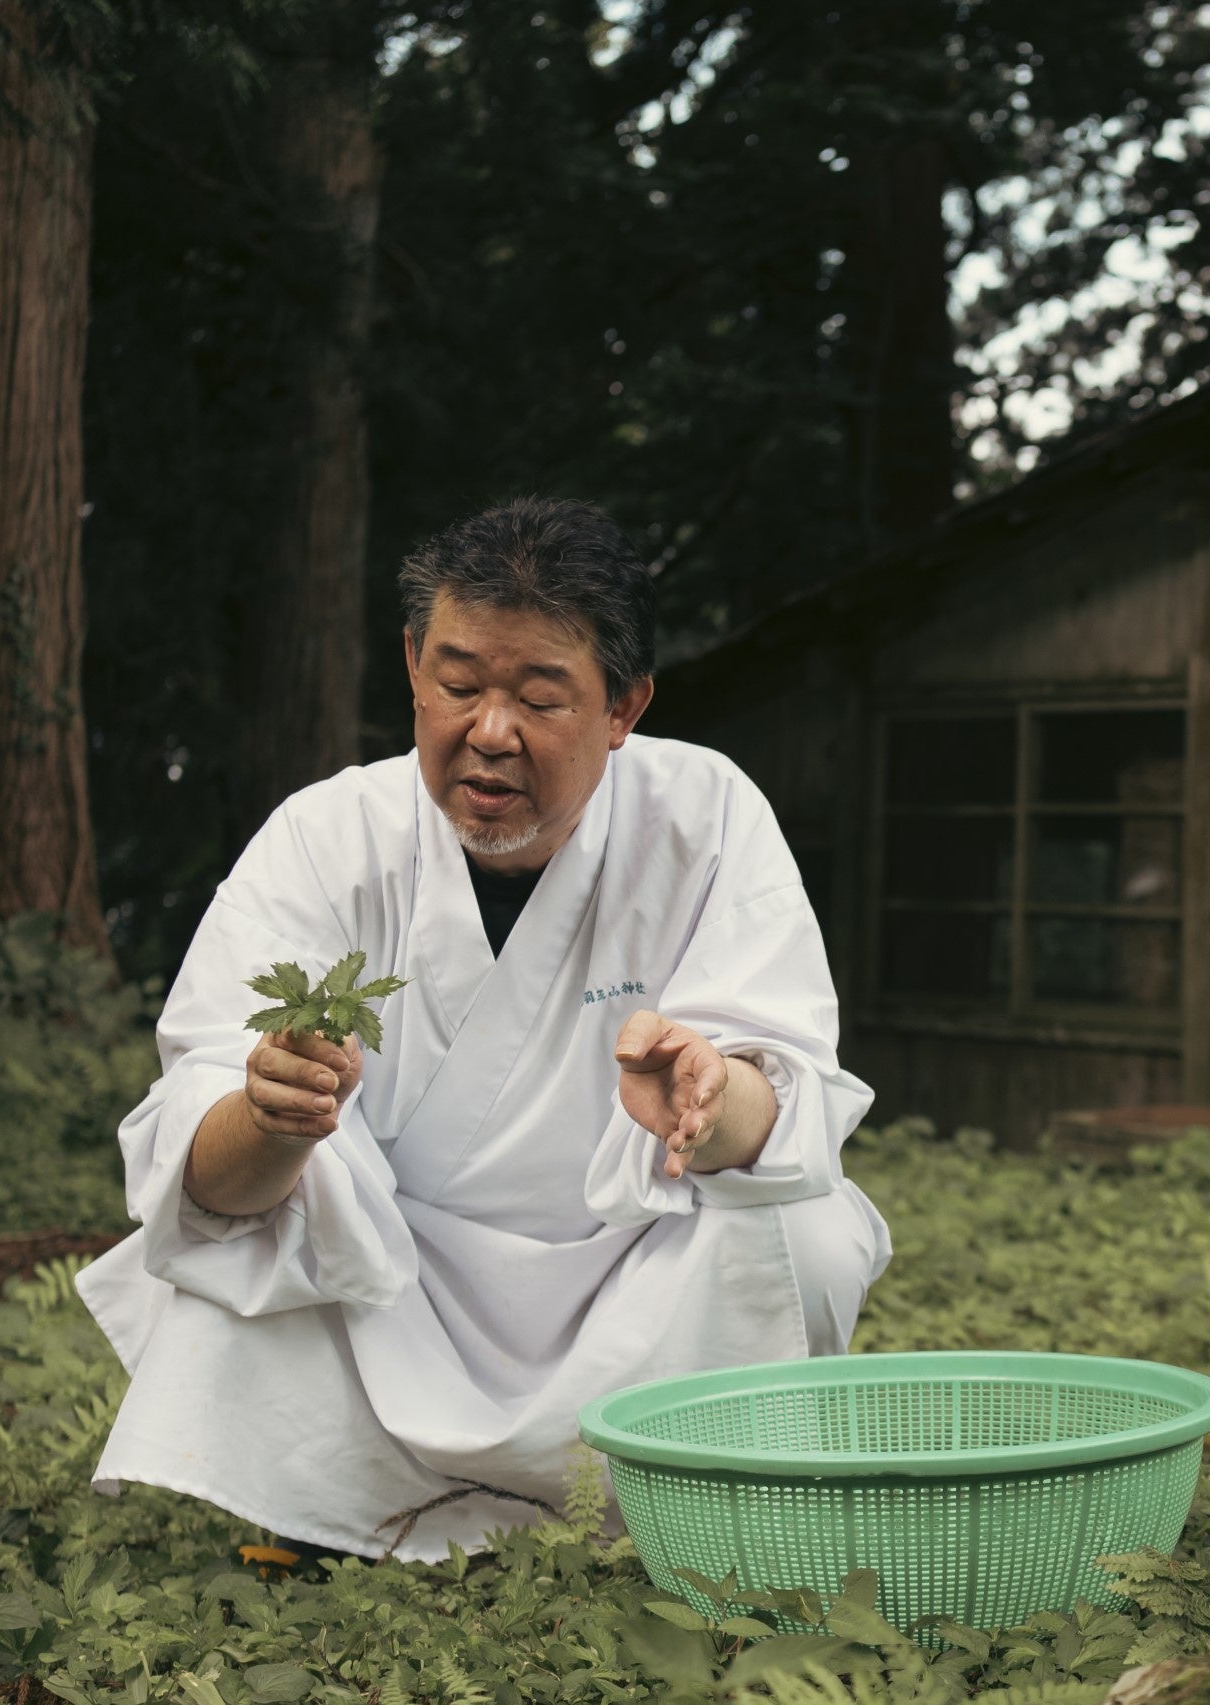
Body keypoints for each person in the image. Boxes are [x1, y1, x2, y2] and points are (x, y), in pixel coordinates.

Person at [74, 497, 890, 1560]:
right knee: (269, 1221)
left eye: (541, 697)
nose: (489, 732)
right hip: (391, 1285)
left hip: (619, 1283)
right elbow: (200, 1183)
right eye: (459, 686)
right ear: (412, 667)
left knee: (809, 1227)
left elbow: (782, 1096)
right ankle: (332, 1505)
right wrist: (272, 1119)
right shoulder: (327, 840)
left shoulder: (705, 817)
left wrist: (713, 1096)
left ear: (623, 707)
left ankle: (676, 1513)